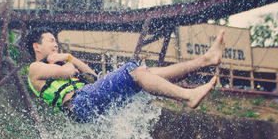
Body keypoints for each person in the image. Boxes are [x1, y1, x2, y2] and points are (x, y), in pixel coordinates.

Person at [25, 28, 224, 122]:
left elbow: (93, 77)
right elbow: (69, 71)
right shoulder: (34, 68)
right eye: (51, 41)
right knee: (132, 70)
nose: (55, 44)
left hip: (88, 103)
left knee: (145, 73)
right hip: (81, 103)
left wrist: (68, 56)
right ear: (37, 46)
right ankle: (189, 96)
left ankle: (205, 60)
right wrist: (66, 62)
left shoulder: (60, 60)